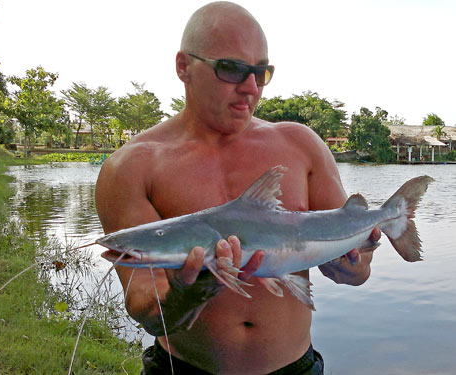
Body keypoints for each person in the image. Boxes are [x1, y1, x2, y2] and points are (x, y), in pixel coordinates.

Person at [95, 2, 380, 374]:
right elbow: (145, 305)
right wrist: (186, 297)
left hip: (295, 367)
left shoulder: (302, 146)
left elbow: (358, 271)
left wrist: (350, 262)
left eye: (261, 72)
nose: (250, 88)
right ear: (183, 66)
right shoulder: (131, 166)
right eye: (231, 69)